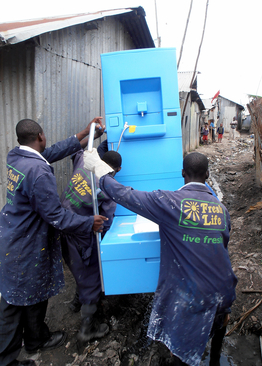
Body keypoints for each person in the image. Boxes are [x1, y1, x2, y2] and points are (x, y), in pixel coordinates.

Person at [83, 149, 238, 366]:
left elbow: (124, 194)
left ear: (182, 173)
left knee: (181, 351)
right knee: (216, 329)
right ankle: (214, 360)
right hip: (224, 291)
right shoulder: (221, 209)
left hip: (191, 296)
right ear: (208, 174)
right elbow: (221, 246)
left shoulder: (169, 202)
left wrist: (100, 169)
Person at [0, 118, 108, 366]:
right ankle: (6, 360)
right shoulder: (38, 172)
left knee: (34, 291)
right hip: (23, 243)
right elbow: (56, 216)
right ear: (40, 136)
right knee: (13, 302)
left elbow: (52, 152)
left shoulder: (18, 157)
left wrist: (83, 133)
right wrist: (87, 222)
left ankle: (37, 339)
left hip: (15, 233)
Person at [60, 148, 122, 342]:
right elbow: (106, 223)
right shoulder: (109, 187)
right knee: (91, 275)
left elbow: (77, 152)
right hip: (80, 234)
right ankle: (87, 328)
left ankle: (76, 303)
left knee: (75, 266)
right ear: (118, 169)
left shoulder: (84, 162)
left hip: (61, 225)